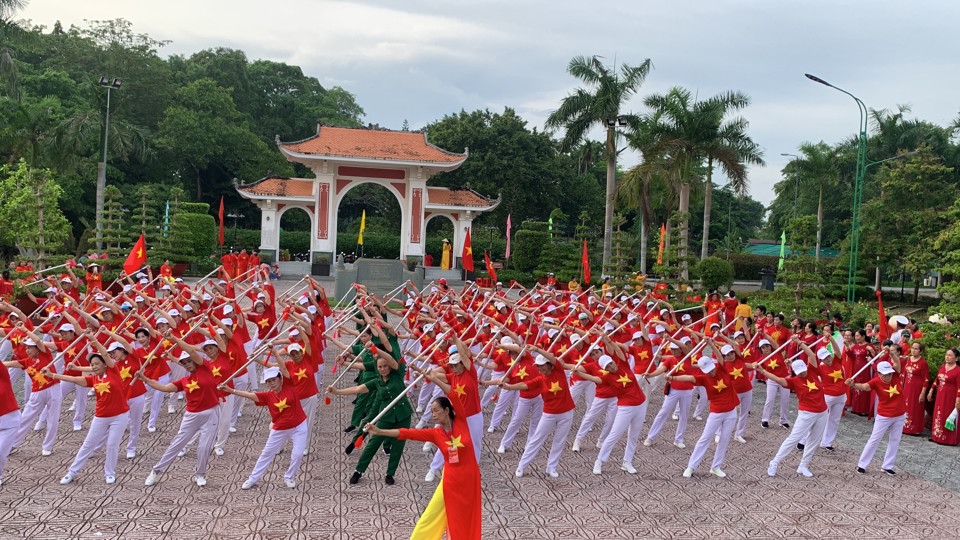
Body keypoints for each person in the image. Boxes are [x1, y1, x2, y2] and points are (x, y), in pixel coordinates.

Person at [366, 385, 481, 540]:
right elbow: (408, 433)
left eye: (436, 410)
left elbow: (452, 394)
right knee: (431, 514)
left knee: (464, 517)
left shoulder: (460, 421)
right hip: (450, 480)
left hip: (469, 478)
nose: (432, 414)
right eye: (431, 411)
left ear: (447, 411)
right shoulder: (435, 433)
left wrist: (435, 379)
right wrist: (380, 431)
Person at [139, 345, 221, 487]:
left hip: (211, 413)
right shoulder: (183, 381)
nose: (188, 365)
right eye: (184, 363)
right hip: (192, 416)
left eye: (189, 361)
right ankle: (156, 471)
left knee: (204, 447)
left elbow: (191, 351)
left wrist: (175, 339)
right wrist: (144, 378)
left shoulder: (205, 368)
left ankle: (200, 474)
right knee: (177, 444)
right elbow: (164, 388)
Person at [44, 352, 128, 485]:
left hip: (120, 416)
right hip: (101, 417)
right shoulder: (94, 380)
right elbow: (75, 380)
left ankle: (110, 473)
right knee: (88, 444)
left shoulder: (114, 372)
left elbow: (106, 355)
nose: (94, 367)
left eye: (97, 364)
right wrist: (53, 375)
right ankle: (72, 472)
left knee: (112, 444)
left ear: (105, 364)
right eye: (92, 364)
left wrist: (93, 339)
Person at [328, 352, 412, 486]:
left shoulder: (397, 374)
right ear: (377, 367)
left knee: (398, 446)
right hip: (386, 416)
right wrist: (337, 392)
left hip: (403, 415)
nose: (383, 369)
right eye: (380, 366)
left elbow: (390, 358)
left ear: (390, 366)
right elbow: (358, 388)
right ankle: (358, 471)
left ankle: (390, 474)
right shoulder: (376, 382)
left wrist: (377, 349)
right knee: (373, 443)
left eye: (385, 366)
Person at [226, 362, 307, 490]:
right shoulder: (268, 396)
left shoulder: (289, 385)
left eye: (274, 379)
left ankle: (289, 477)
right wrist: (232, 391)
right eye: (268, 381)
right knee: (266, 453)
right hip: (279, 429)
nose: (271, 383)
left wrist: (274, 351)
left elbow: (284, 368)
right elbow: (251, 395)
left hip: (299, 426)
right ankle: (252, 478)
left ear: (280, 378)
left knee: (297, 454)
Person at [758, 339, 828, 478]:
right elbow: (778, 379)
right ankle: (775, 462)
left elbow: (812, 356)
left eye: (803, 370)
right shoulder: (794, 381)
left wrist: (800, 343)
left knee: (814, 440)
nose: (802, 373)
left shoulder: (812, 371)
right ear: (795, 371)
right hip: (806, 413)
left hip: (822, 412)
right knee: (793, 438)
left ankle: (803, 465)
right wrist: (763, 371)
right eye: (799, 372)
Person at [671, 351, 739, 479]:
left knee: (724, 439)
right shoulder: (703, 378)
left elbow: (720, 356)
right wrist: (673, 378)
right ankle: (691, 466)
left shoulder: (721, 369)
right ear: (703, 370)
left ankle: (716, 467)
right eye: (708, 371)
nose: (711, 372)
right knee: (705, 438)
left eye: (711, 369)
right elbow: (690, 378)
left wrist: (711, 343)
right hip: (716, 412)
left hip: (731, 411)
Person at [846, 344, 904, 475]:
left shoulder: (896, 376)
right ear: (878, 373)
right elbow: (865, 387)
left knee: (895, 440)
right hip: (884, 415)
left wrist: (891, 352)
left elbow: (897, 362)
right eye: (885, 374)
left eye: (889, 373)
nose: (888, 376)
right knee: (874, 439)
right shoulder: (876, 381)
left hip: (899, 414)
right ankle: (862, 464)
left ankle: (887, 466)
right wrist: (853, 384)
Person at [926, 347, 960, 446]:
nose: (947, 357)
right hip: (940, 395)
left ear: (956, 358)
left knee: (947, 414)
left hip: (951, 396)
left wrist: (958, 399)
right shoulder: (942, 367)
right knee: (938, 414)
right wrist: (931, 391)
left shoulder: (958, 370)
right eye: (946, 355)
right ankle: (936, 435)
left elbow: (959, 386)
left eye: (950, 355)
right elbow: (937, 380)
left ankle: (947, 439)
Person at [901, 342, 930, 436]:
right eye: (912, 348)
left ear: (920, 351)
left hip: (917, 388)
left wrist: (923, 393)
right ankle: (904, 426)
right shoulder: (908, 359)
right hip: (907, 387)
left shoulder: (923, 363)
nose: (913, 350)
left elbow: (926, 379)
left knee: (915, 407)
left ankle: (914, 428)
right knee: (906, 406)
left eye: (916, 349)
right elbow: (903, 374)